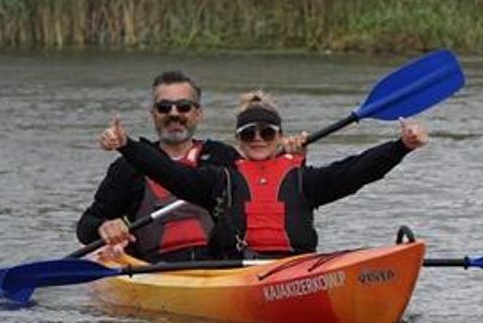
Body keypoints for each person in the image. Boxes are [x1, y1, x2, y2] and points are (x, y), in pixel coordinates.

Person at [97, 90, 429, 259]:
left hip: (295, 270)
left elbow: (356, 171)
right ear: (238, 141)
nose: (257, 139)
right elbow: (166, 171)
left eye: (266, 133)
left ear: (278, 136)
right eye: (248, 134)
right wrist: (126, 145)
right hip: (234, 275)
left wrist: (402, 146)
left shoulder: (303, 178)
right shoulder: (220, 180)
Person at [77, 70, 238, 262]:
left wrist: (281, 150)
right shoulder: (127, 167)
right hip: (153, 272)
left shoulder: (222, 156)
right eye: (164, 108)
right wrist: (103, 227)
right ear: (153, 114)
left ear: (198, 114)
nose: (174, 114)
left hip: (224, 267)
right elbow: (86, 226)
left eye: (184, 107)